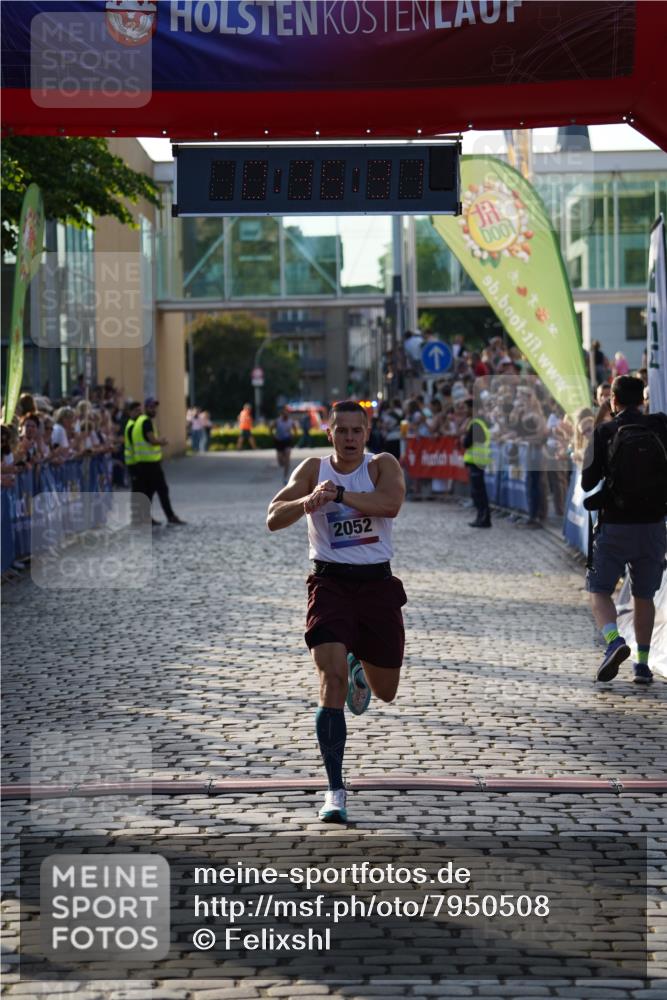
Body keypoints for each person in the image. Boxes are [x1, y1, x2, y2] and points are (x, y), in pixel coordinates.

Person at [266, 400, 407, 824]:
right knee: (330, 679)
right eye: (341, 431)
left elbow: (389, 506)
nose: (348, 438)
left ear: (367, 433)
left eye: (356, 431)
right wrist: (308, 501)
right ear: (329, 433)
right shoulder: (312, 469)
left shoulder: (382, 465)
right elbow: (273, 517)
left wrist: (342, 495)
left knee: (385, 692)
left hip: (377, 586)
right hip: (329, 584)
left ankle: (359, 664)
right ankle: (335, 790)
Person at [583, 375, 667, 685]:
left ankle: (615, 641)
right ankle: (642, 665)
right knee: (644, 596)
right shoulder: (660, 426)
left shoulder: (605, 431)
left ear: (613, 402)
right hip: (654, 525)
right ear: (643, 400)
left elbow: (587, 483)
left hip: (616, 525)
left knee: (599, 590)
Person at [131, 397, 186, 527]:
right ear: (146, 408)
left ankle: (145, 517)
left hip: (143, 463)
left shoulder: (140, 421)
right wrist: (162, 441)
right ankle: (170, 516)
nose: (154, 409)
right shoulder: (146, 422)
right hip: (150, 464)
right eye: (151, 407)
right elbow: (152, 440)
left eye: (155, 407)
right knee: (162, 489)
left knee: (149, 491)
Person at [462, 399, 492, 528]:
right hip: (478, 461)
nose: (464, 411)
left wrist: (464, 438)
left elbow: (467, 443)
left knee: (478, 492)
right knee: (479, 492)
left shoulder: (475, 424)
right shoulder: (479, 422)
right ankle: (482, 517)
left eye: (466, 408)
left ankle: (483, 518)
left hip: (476, 461)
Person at [272, 406, 297, 484]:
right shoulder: (277, 421)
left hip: (287, 441)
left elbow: (295, 429)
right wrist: (274, 436)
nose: (285, 415)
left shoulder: (290, 421)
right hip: (279, 441)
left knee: (287, 458)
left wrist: (293, 436)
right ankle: (283, 462)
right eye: (284, 414)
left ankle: (285, 477)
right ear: (281, 414)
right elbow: (271, 428)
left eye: (287, 414)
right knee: (280, 461)